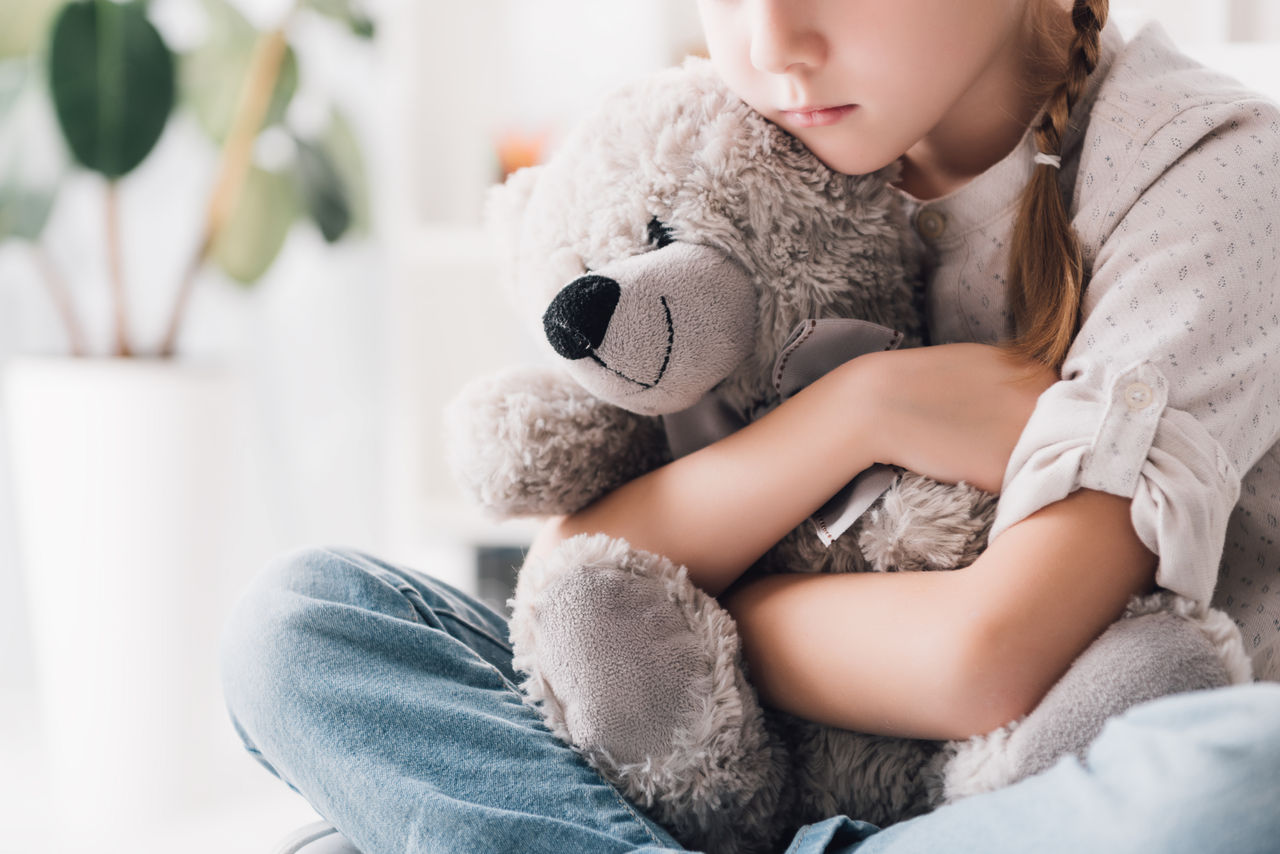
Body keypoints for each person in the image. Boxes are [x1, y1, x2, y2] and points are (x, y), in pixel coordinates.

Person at [219, 1, 1280, 851]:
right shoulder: (739, 137)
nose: (773, 44)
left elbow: (986, 657)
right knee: (303, 622)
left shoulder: (1204, 168)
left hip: (1005, 789)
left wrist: (690, 608)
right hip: (723, 768)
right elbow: (577, 578)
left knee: (1243, 776)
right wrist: (861, 411)